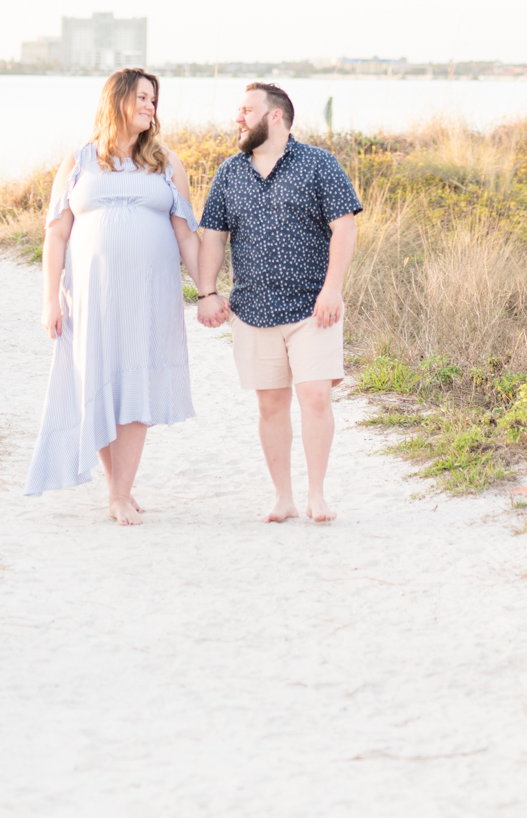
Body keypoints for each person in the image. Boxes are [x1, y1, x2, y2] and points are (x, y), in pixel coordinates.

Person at [24, 69, 201, 524]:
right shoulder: (79, 161)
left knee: (135, 384)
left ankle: (120, 492)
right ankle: (116, 490)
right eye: (142, 97)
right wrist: (49, 299)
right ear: (117, 99)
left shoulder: (167, 162)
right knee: (99, 384)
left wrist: (209, 292)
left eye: (154, 100)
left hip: (148, 295)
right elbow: (56, 236)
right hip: (90, 295)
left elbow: (186, 236)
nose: (150, 106)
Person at [196, 81, 361, 522]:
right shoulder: (230, 172)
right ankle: (283, 497)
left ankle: (317, 495)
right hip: (252, 310)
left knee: (315, 398)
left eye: (246, 110)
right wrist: (207, 292)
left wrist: (333, 288)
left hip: (313, 308)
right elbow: (213, 235)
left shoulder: (318, 164)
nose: (238, 118)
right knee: (270, 405)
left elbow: (344, 227)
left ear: (274, 116)